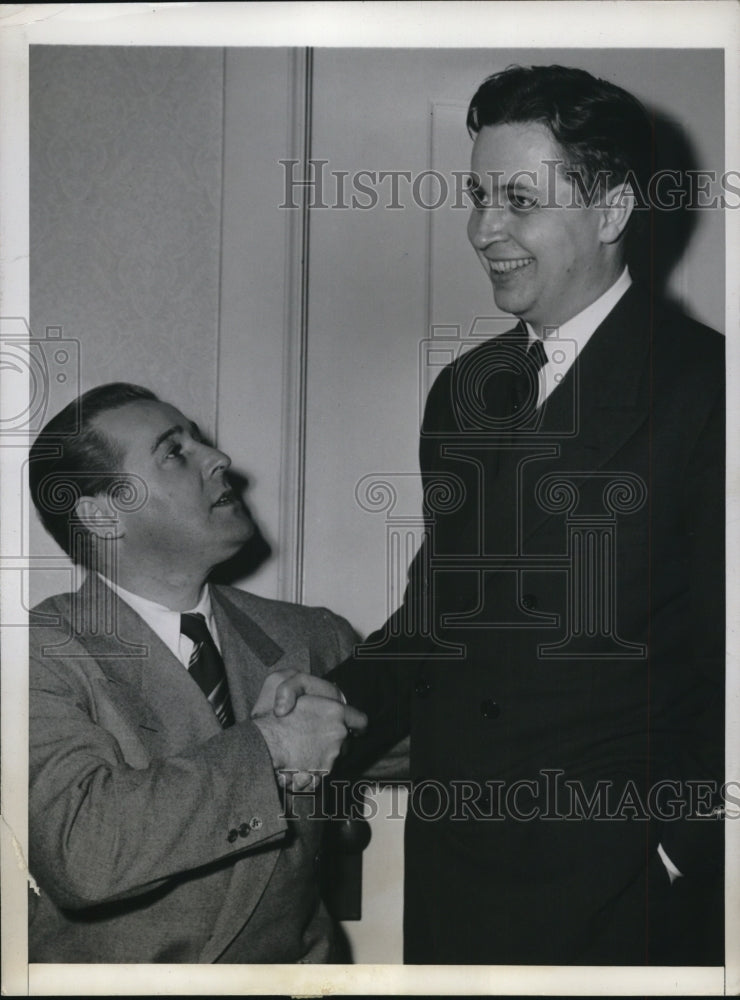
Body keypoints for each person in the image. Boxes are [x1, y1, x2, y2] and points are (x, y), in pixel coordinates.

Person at [269, 65, 725, 965]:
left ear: (611, 209)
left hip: (621, 895)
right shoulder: (465, 391)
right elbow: (440, 616)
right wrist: (338, 698)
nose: (484, 230)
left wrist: (681, 853)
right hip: (458, 873)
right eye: (479, 197)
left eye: (519, 200)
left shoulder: (709, 389)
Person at [27, 382, 367, 963]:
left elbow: (449, 739)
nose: (219, 458)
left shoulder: (311, 635)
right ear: (103, 515)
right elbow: (83, 852)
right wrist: (272, 747)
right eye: (174, 452)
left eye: (199, 441)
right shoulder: (37, 652)